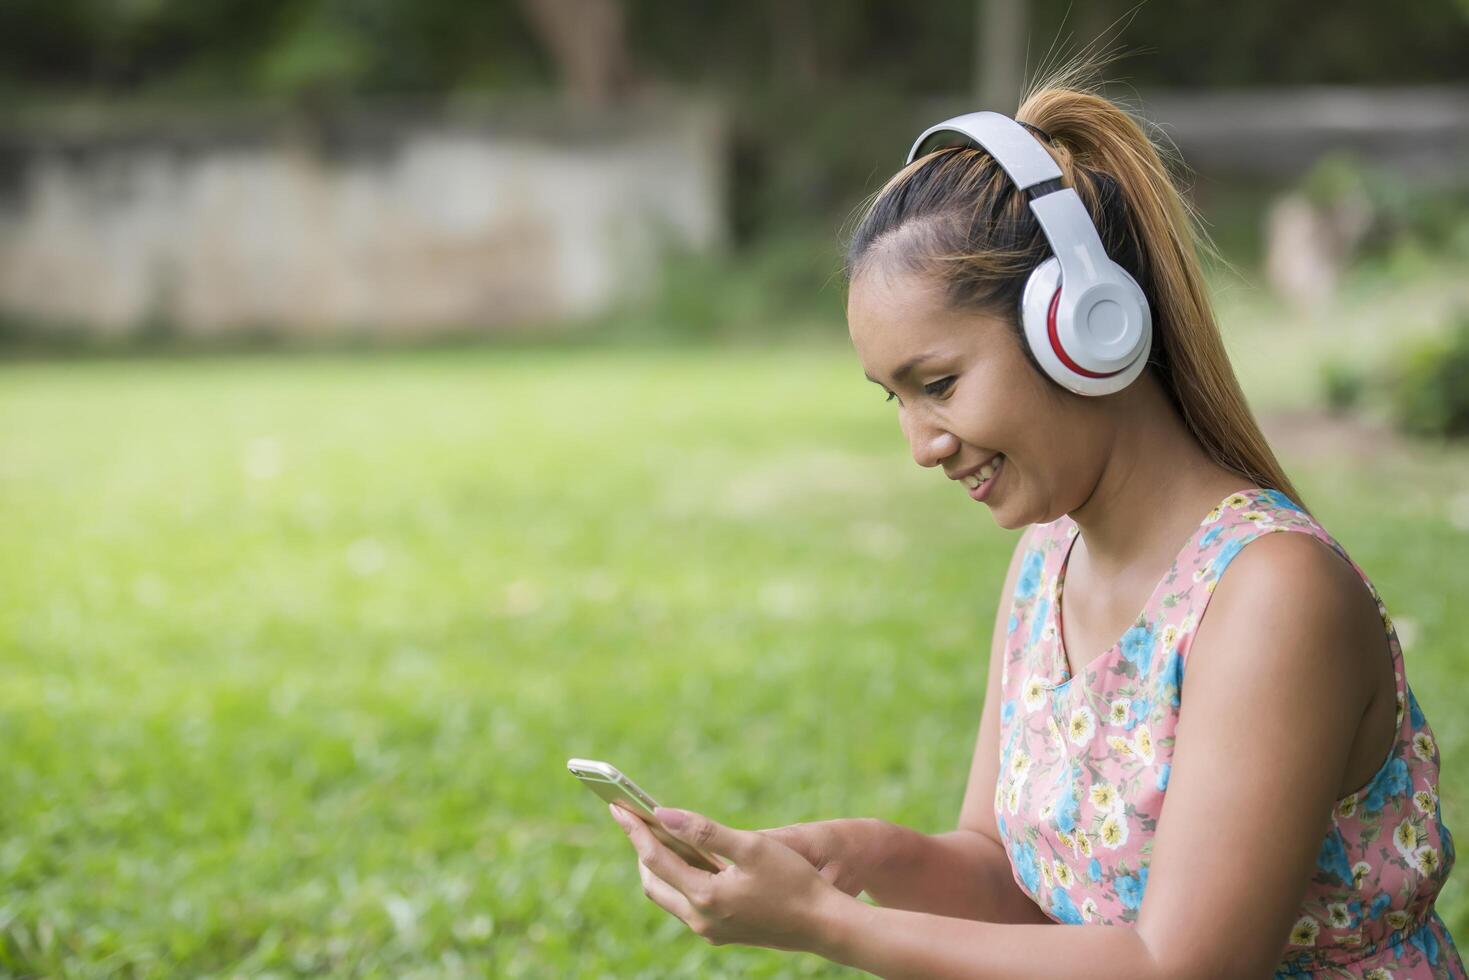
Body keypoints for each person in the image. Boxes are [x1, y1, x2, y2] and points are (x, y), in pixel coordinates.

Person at [607, 77, 1465, 978]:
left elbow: (1177, 967)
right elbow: (1012, 885)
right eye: (892, 398)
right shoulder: (1043, 563)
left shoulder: (1270, 597)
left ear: (1083, 327)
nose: (920, 444)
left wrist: (828, 924)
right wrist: (856, 856)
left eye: (936, 384)